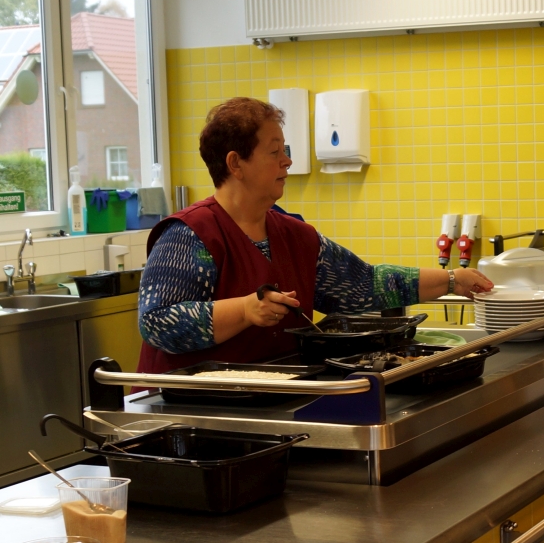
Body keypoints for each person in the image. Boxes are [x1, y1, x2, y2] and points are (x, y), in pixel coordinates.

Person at [137, 97, 493, 372]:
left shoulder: (295, 235)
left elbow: (364, 284)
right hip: (187, 411)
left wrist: (451, 280)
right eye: (274, 152)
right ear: (235, 164)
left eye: (285, 151)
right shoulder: (190, 235)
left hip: (268, 401)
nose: (287, 161)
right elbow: (156, 323)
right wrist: (244, 310)